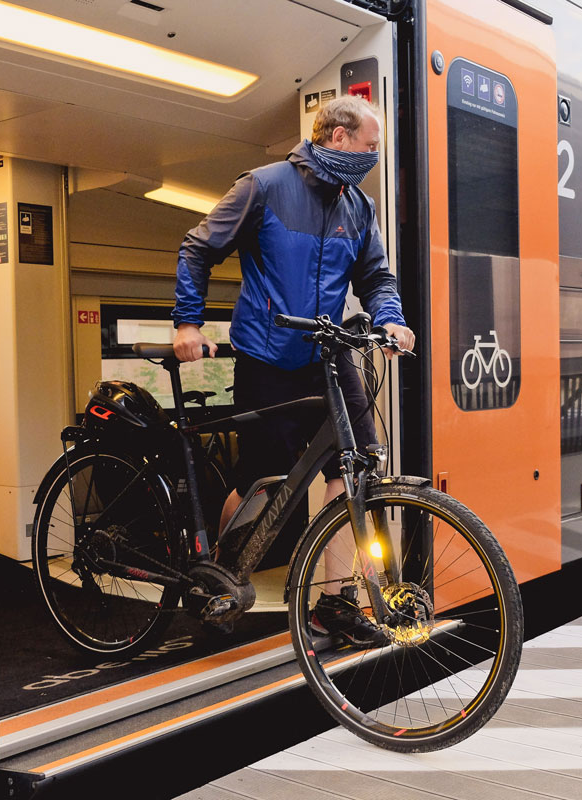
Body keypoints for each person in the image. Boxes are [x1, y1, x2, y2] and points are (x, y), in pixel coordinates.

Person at [171, 95, 414, 647]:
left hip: (329, 359)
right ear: (336, 138)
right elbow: (198, 248)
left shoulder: (358, 207)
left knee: (356, 471)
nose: (374, 157)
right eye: (370, 146)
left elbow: (376, 276)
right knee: (260, 480)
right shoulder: (264, 185)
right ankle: (223, 580)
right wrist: (188, 323)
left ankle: (334, 601)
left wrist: (391, 320)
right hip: (268, 358)